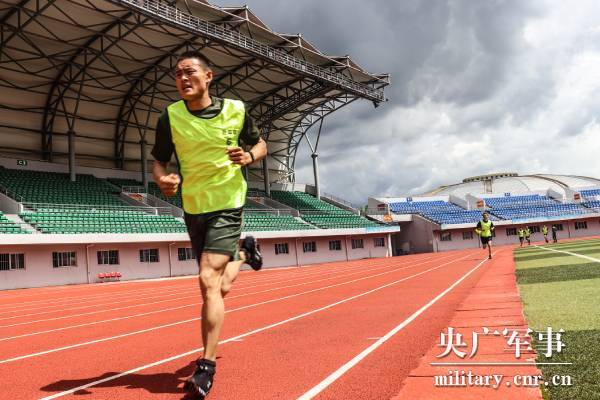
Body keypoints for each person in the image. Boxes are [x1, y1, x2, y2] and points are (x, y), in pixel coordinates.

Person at [152, 50, 268, 399]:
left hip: (228, 202)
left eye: (189, 72)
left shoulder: (236, 110)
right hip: (193, 206)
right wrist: (163, 180)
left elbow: (261, 144)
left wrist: (249, 156)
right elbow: (158, 162)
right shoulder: (169, 117)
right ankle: (245, 254)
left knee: (206, 280)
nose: (183, 79)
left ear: (208, 77)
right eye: (177, 74)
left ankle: (206, 366)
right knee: (220, 288)